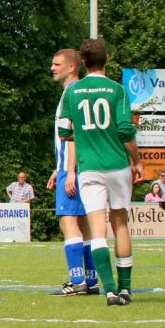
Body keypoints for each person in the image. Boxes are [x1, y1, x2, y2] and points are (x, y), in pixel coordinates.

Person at [57, 38, 144, 306]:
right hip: (117, 166)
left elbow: (64, 131)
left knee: (97, 231)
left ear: (82, 63)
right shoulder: (117, 90)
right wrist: (137, 160)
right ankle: (125, 289)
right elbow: (125, 130)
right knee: (120, 223)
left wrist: (82, 141)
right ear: (106, 60)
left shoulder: (72, 92)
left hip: (89, 168)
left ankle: (109, 291)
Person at [46, 48, 99, 296]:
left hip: (75, 170)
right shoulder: (78, 92)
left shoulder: (72, 94)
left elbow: (74, 135)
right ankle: (91, 281)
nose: (52, 68)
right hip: (82, 167)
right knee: (85, 224)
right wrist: (59, 170)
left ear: (72, 67)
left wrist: (69, 171)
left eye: (57, 64)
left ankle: (77, 282)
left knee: (68, 223)